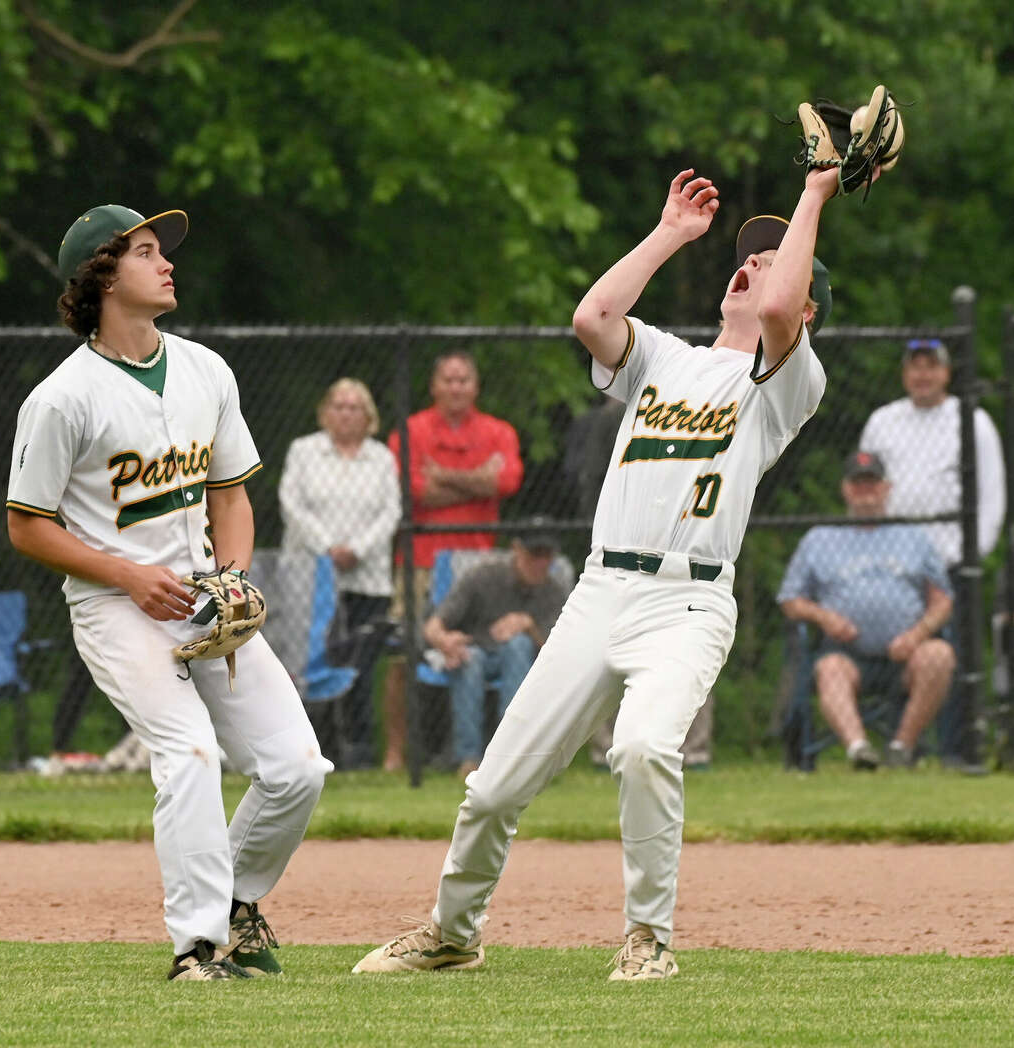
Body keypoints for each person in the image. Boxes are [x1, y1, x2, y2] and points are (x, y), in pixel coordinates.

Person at [352, 164, 838, 982]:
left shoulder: (787, 384)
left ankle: (647, 938)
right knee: (495, 787)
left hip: (686, 601)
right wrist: (672, 234)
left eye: (771, 255)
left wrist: (816, 196)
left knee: (646, 748)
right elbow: (593, 315)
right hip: (601, 590)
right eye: (746, 254)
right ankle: (452, 932)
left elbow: (783, 310)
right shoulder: (666, 359)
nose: (750, 264)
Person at [6, 204, 332, 983]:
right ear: (102, 277)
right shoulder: (63, 397)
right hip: (116, 607)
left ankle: (235, 902)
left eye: (162, 250)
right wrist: (123, 574)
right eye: (145, 252)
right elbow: (26, 526)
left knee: (297, 768)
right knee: (187, 756)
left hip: (203, 601)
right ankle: (198, 946)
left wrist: (235, 574)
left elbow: (231, 495)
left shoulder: (204, 370)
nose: (166, 263)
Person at [859, 338, 1006, 766]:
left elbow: (991, 496)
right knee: (898, 653)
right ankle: (905, 746)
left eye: (932, 366)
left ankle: (956, 750)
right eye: (915, 366)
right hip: (893, 563)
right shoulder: (883, 421)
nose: (923, 374)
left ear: (946, 372)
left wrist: (970, 556)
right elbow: (868, 486)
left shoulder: (972, 421)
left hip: (950, 561)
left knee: (956, 656)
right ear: (905, 373)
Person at [380, 350, 524, 770]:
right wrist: (479, 482)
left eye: (464, 380)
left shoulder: (499, 431)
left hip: (480, 562)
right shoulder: (411, 430)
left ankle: (493, 753)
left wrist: (442, 476)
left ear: (475, 386)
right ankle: (394, 753)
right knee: (404, 652)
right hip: (421, 559)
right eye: (448, 379)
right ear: (434, 385)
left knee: (483, 650)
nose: (456, 387)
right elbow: (411, 488)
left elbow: (509, 480)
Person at [777, 450, 955, 769]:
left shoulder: (914, 537)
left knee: (939, 655)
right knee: (829, 669)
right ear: (845, 489)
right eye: (858, 485)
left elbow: (942, 599)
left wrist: (918, 635)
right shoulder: (820, 539)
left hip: (907, 654)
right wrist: (824, 617)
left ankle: (902, 747)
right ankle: (859, 750)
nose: (865, 492)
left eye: (872, 484)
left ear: (886, 488)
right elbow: (790, 600)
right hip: (845, 654)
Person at [279, 378, 401, 768]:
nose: (347, 414)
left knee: (359, 669)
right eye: (339, 405)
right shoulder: (304, 452)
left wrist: (357, 550)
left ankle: (359, 754)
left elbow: (390, 512)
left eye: (355, 407)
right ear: (325, 412)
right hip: (311, 580)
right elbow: (291, 504)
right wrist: (327, 549)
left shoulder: (381, 458)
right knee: (311, 665)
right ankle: (309, 751)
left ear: (369, 416)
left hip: (366, 580)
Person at [422, 524, 571, 777]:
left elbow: (560, 652)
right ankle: (468, 758)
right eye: (535, 554)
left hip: (524, 662)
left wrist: (529, 626)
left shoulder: (554, 592)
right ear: (516, 550)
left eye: (548, 556)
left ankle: (510, 752)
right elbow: (434, 625)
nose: (541, 563)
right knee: (470, 659)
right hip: (475, 649)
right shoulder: (483, 577)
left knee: (518, 645)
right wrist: (446, 642)